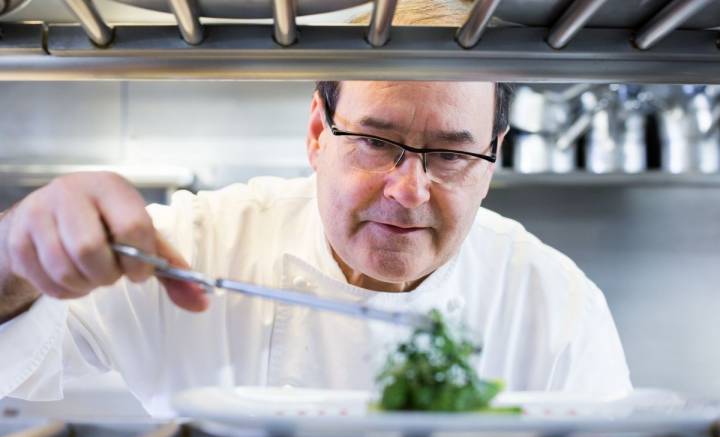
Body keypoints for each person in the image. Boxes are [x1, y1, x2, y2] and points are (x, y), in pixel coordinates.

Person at [0, 79, 631, 416]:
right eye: (376, 141)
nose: (408, 191)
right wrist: (14, 252)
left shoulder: (556, 302)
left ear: (491, 159)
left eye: (451, 153)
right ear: (315, 133)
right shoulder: (198, 246)